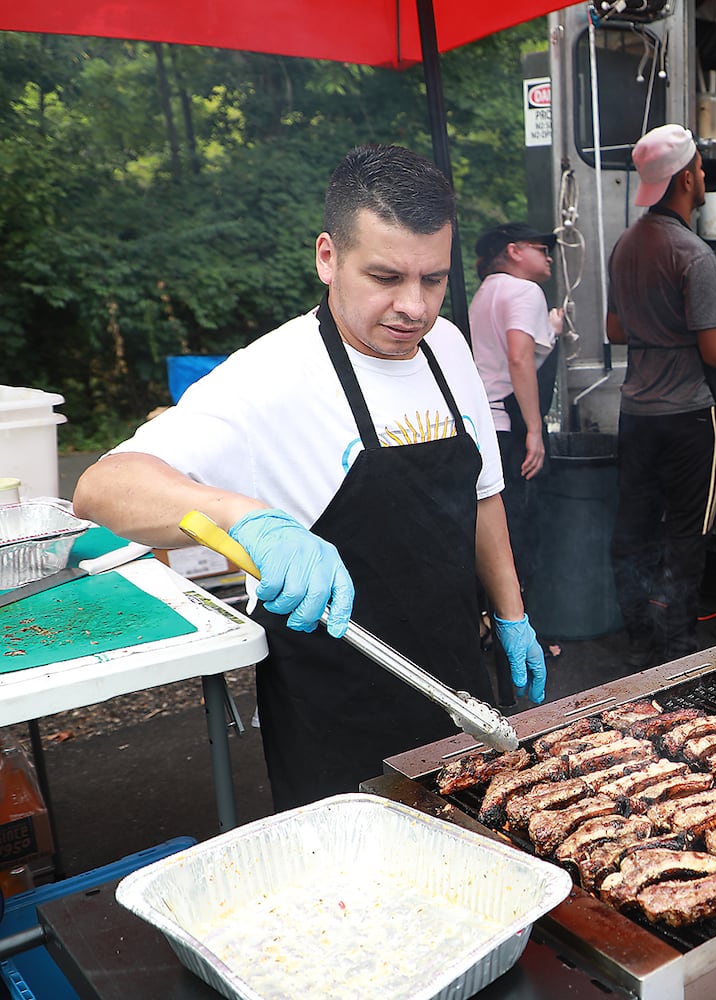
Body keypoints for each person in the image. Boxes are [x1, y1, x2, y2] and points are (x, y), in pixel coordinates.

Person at [72, 144, 547, 812]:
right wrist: (246, 518)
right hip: (337, 709)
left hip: (459, 679)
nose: (414, 307)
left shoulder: (447, 346)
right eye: (384, 276)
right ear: (327, 256)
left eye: (433, 280)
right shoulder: (269, 377)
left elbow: (483, 495)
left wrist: (512, 613)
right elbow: (101, 487)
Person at [604, 124, 716, 669]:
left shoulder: (625, 245)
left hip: (635, 413)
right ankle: (678, 649)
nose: (705, 176)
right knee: (688, 533)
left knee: (634, 527)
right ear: (687, 178)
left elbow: (616, 329)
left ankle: (638, 634)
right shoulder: (693, 253)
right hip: (689, 417)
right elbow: (715, 352)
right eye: (702, 169)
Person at [470, 222, 562, 596]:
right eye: (542, 247)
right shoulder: (526, 291)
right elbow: (519, 359)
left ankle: (492, 618)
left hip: (484, 423)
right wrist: (536, 431)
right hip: (510, 426)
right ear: (514, 250)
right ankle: (526, 624)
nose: (549, 256)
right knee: (522, 527)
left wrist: (550, 329)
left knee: (496, 526)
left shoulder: (487, 292)